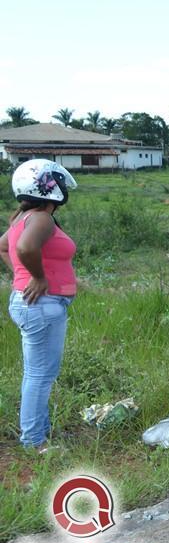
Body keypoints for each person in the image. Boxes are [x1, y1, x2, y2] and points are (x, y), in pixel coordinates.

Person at [0, 159, 78, 452]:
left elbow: (4, 246)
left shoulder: (24, 217)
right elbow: (24, 248)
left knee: (38, 372)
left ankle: (38, 434)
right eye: (57, 182)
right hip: (42, 304)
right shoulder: (41, 218)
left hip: (33, 303)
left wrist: (22, 276)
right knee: (40, 375)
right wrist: (37, 277)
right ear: (46, 186)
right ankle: (34, 442)